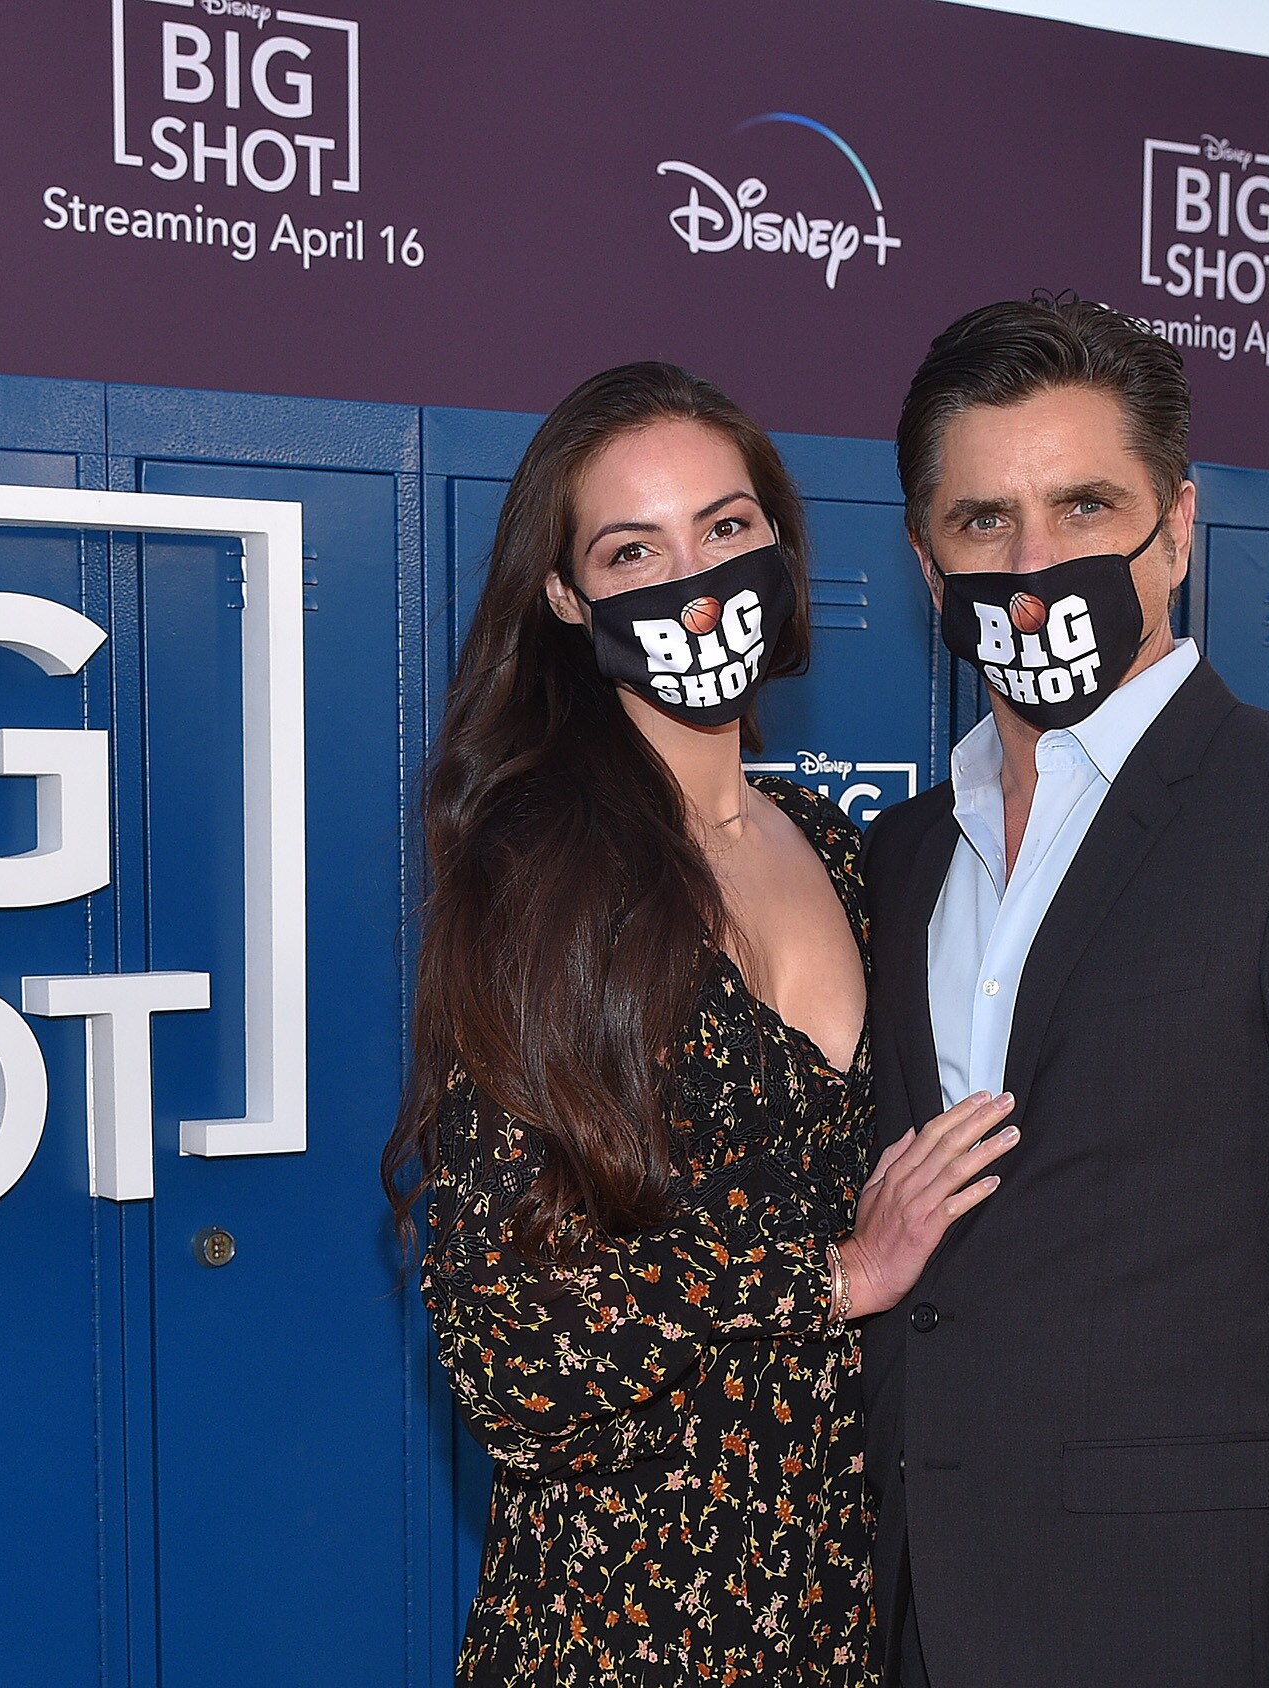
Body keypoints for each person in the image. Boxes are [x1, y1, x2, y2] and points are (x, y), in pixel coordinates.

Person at [858, 295, 1269, 1687]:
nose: (1034, 566)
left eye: (1085, 506)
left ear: (1176, 528)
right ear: (926, 564)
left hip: (1199, 1634)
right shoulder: (904, 854)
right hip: (915, 1631)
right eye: (983, 522)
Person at [384, 361, 1016, 1685]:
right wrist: (832, 1276)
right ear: (566, 597)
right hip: (623, 1631)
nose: (696, 578)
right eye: (634, 549)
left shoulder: (844, 851)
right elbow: (512, 1359)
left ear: (779, 544)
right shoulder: (546, 879)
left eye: (726, 529)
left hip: (836, 1610)